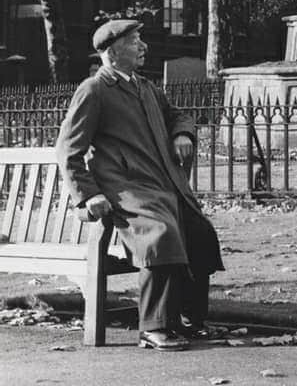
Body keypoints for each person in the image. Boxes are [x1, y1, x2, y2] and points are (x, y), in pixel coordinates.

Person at [55, 18, 223, 350]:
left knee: (200, 232)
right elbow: (68, 149)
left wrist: (182, 133)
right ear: (113, 52)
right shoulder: (94, 89)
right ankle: (153, 326)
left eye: (140, 40)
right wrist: (87, 196)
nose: (143, 47)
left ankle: (189, 319)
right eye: (135, 42)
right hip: (127, 188)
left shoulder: (144, 87)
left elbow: (179, 115)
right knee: (160, 233)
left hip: (162, 185)